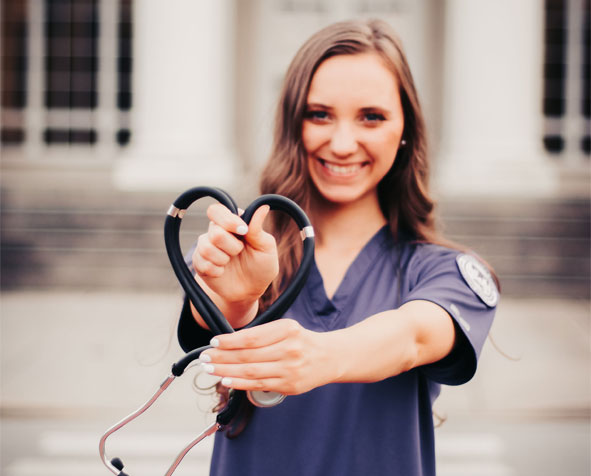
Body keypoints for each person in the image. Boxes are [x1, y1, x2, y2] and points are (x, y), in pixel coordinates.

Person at [177, 18, 499, 476]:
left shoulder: (448, 273)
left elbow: (414, 337)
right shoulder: (236, 250)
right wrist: (240, 298)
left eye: (371, 116)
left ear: (405, 128)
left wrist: (318, 358)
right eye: (320, 114)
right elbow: (219, 326)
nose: (343, 143)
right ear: (294, 125)